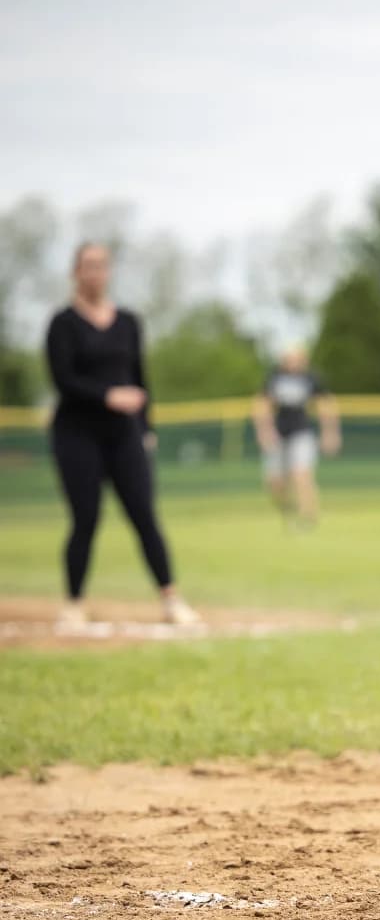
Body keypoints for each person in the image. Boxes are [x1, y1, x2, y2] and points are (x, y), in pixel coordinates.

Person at [45, 243, 200, 633]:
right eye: (88, 266)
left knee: (145, 515)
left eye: (101, 266)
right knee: (85, 519)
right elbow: (63, 380)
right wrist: (106, 395)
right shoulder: (62, 324)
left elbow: (140, 379)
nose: (95, 273)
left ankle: (171, 598)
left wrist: (147, 429)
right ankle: (74, 603)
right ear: (75, 272)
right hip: (77, 434)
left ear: (109, 271)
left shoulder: (128, 322)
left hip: (124, 435)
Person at [252, 346, 341, 526]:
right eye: (290, 359)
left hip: (302, 432)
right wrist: (264, 431)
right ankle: (288, 508)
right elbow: (262, 405)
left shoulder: (311, 378)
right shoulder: (274, 377)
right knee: (274, 482)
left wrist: (330, 433)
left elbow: (326, 405)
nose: (294, 363)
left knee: (302, 474)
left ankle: (308, 516)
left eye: (297, 359)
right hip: (278, 433)